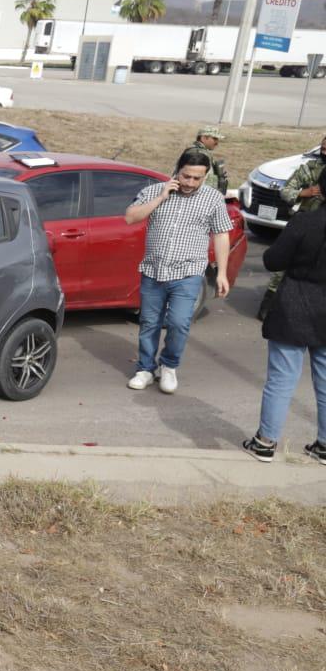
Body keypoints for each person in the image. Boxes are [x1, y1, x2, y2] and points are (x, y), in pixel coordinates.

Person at [124, 149, 233, 394]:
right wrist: (162, 197)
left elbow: (221, 234)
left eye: (197, 178)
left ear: (205, 177)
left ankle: (169, 366)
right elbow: (130, 217)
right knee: (149, 322)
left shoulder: (213, 198)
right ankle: (145, 369)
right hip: (154, 270)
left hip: (188, 272)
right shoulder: (154, 190)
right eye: (186, 176)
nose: (190, 183)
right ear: (177, 171)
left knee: (179, 323)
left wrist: (222, 273)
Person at [243, 200, 326, 463]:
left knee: (281, 379)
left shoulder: (304, 221)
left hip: (294, 306)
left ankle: (265, 443)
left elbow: (272, 260)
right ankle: (324, 446)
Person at [260, 134, 326, 320]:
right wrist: (304, 193)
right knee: (282, 268)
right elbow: (286, 191)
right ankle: (268, 306)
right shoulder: (309, 168)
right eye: (323, 148)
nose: (324, 152)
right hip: (306, 223)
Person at [184, 125, 229, 193]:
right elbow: (194, 178)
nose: (217, 143)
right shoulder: (198, 153)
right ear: (203, 138)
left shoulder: (201, 152)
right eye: (214, 139)